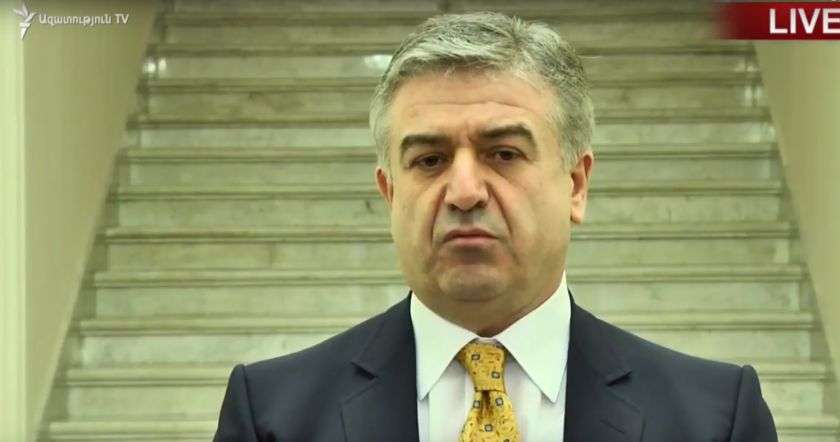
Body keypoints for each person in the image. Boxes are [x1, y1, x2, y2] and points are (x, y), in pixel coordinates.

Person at [213, 12, 777, 441]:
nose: (464, 191)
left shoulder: (715, 418)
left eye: (503, 153)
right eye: (429, 160)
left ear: (575, 185)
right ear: (390, 194)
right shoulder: (272, 415)